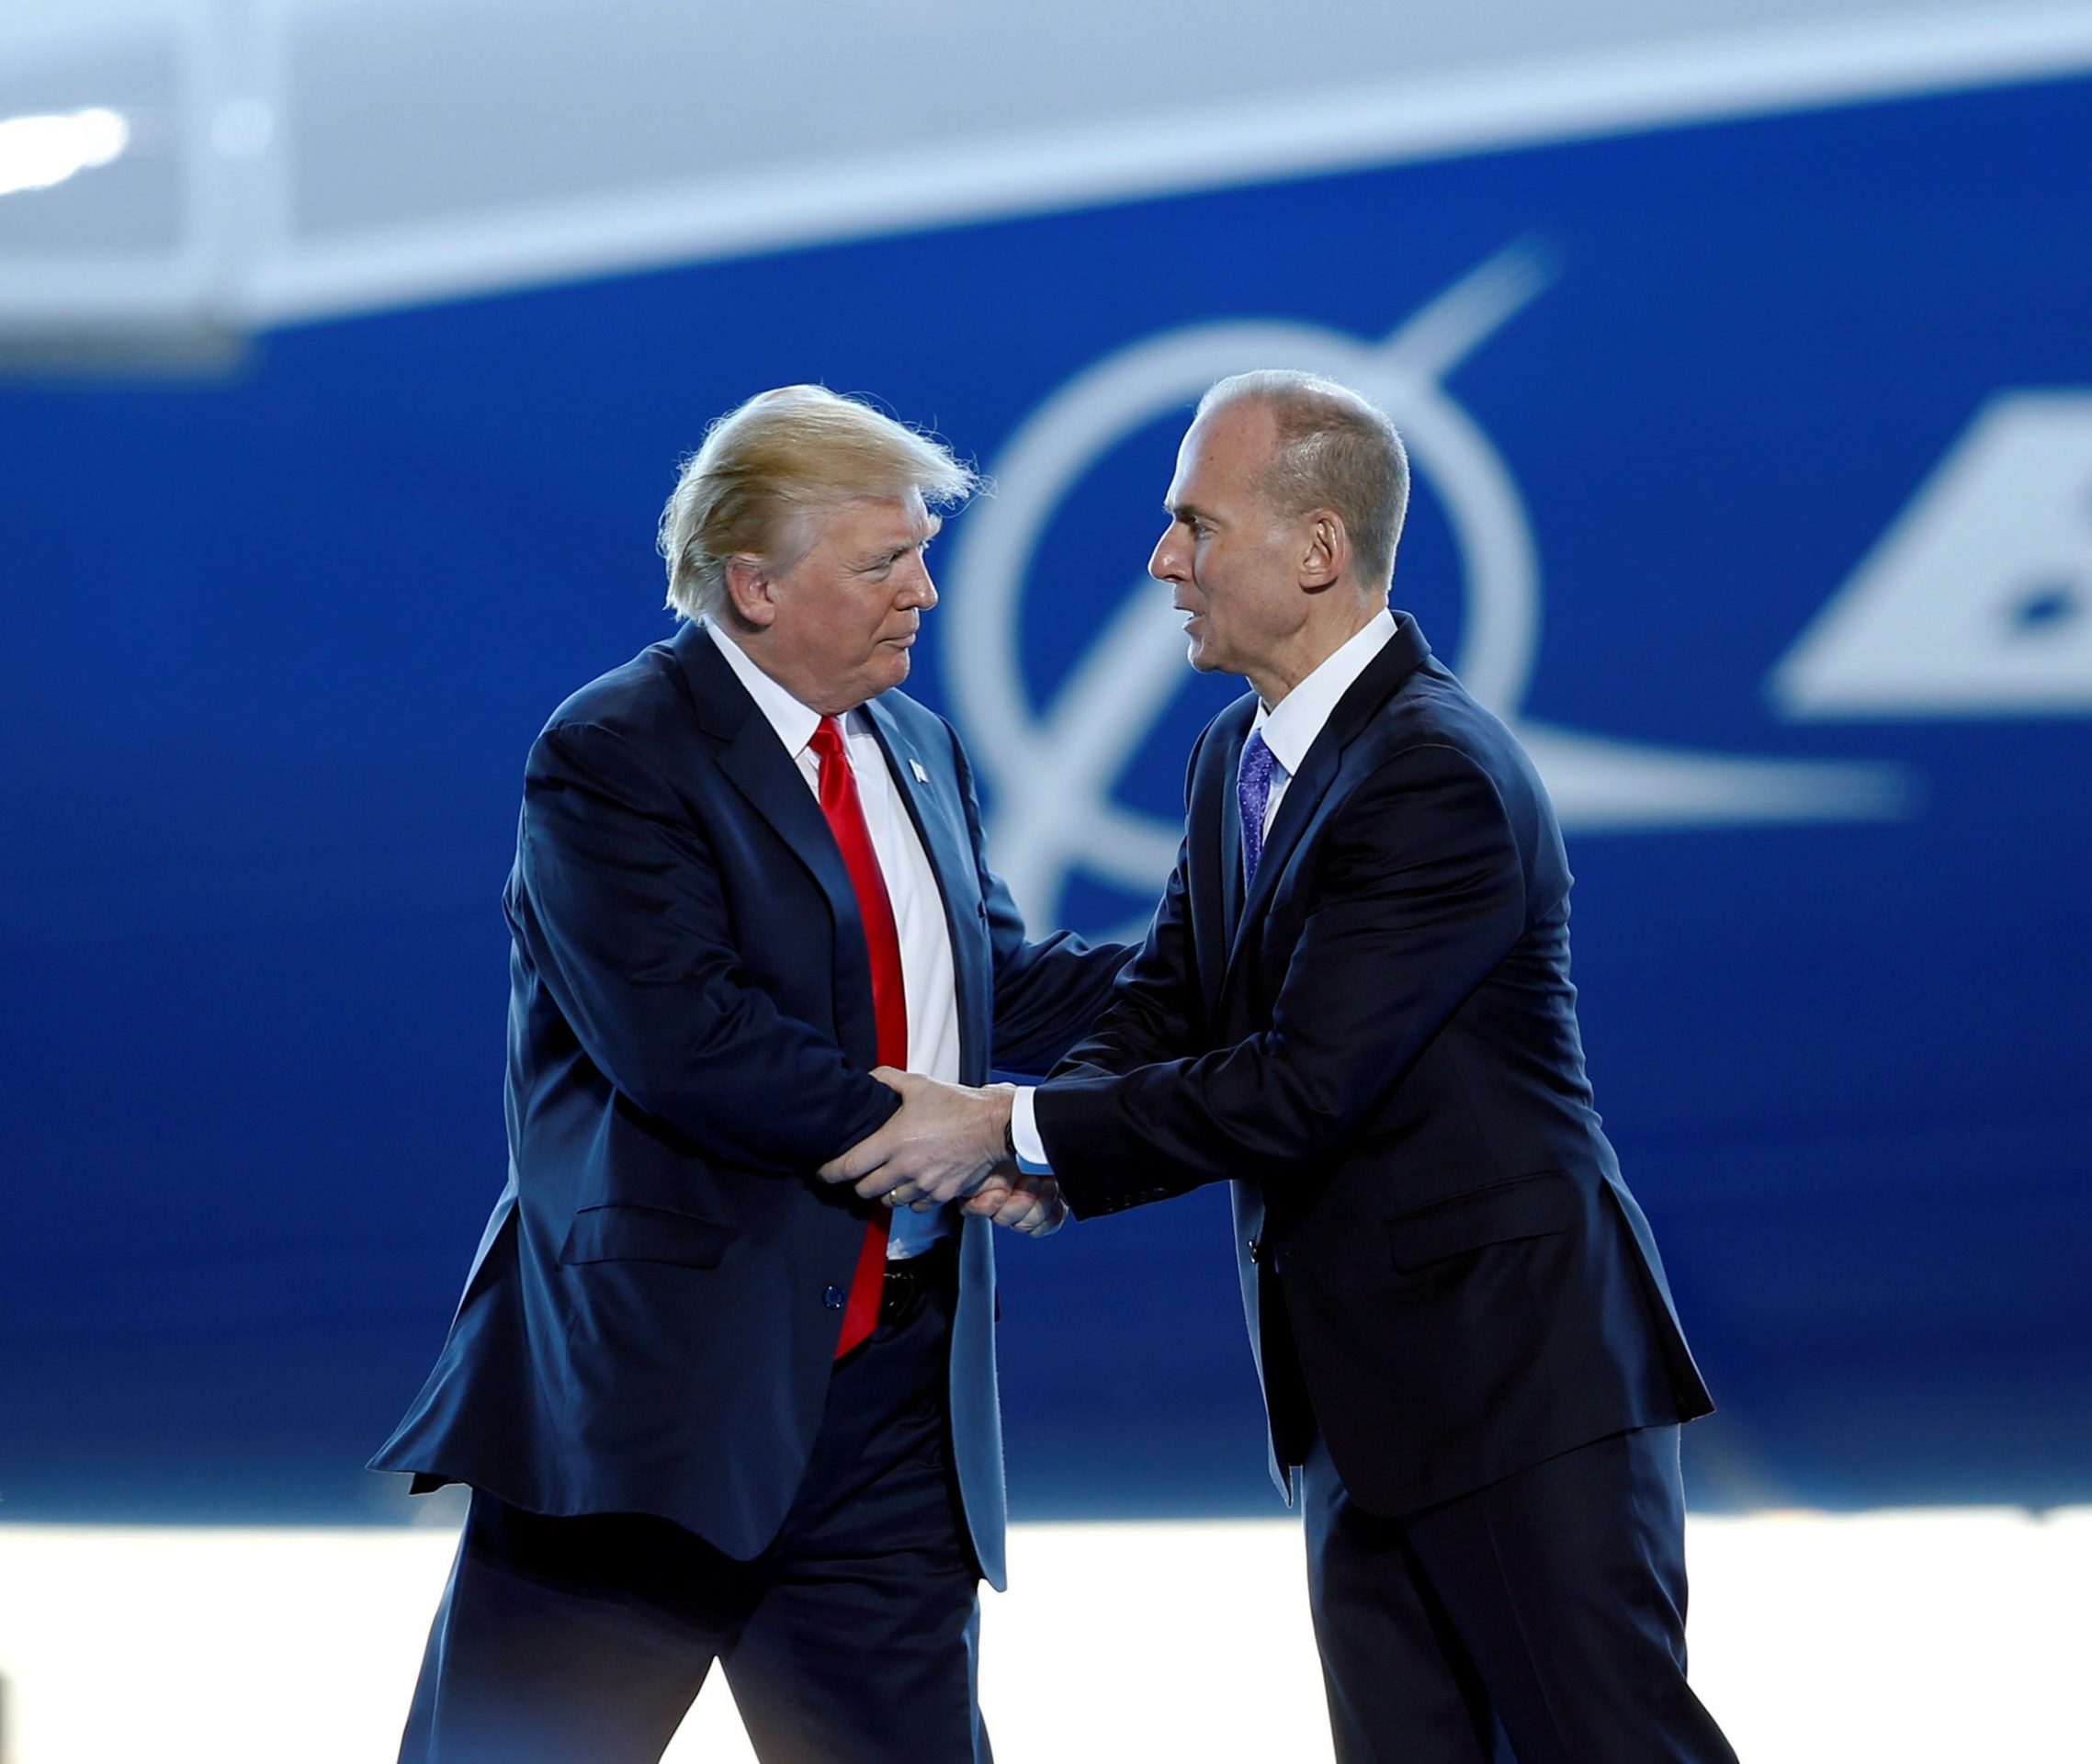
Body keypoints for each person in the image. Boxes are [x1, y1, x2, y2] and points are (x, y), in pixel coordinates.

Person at [820, 370, 1738, 1762]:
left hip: (1516, 1393)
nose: (1161, 561)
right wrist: (1040, 1152)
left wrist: (1009, 1127)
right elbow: (1172, 1003)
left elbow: (1305, 1084)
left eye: (1195, 524)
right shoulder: (1234, 760)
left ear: (1315, 551)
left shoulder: (1432, 776)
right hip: (1361, 1409)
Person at [372, 385, 1127, 1764]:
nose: (927, 591)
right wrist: (960, 1140)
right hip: (656, 1414)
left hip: (895, 1413)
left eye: (920, 551)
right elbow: (687, 1043)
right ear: (755, 585)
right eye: (883, 562)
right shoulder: (613, 754)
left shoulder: (917, 745)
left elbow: (992, 985)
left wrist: (1240, 974)